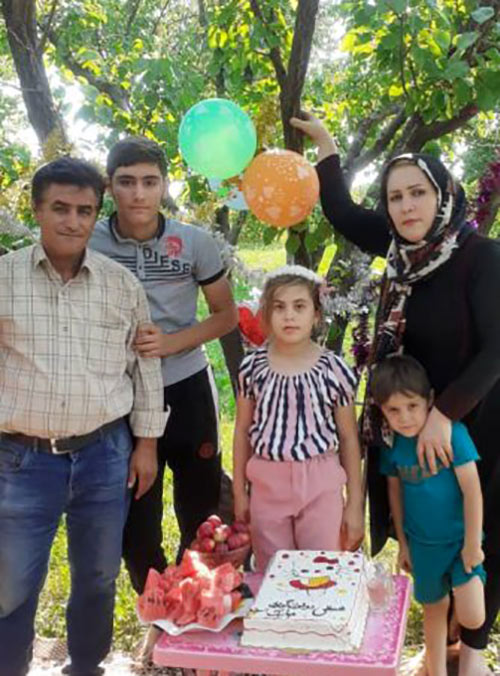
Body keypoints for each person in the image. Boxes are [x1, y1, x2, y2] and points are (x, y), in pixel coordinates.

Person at [290, 113, 500, 676]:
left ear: (444, 194)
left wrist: (445, 416)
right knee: (429, 536)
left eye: (418, 193)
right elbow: (340, 211)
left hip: (477, 424)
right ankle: (438, 650)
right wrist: (327, 145)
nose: (407, 207)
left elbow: (497, 349)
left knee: (478, 537)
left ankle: (472, 656)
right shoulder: (398, 250)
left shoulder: (481, 257)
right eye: (395, 197)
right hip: (408, 425)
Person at [0, 157, 166, 676]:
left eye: (84, 211)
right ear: (37, 209)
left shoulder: (121, 285)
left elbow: (144, 366)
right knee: (11, 583)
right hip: (22, 459)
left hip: (105, 454)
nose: (72, 221)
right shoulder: (4, 279)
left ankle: (87, 667)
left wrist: (146, 444)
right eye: (60, 208)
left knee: (97, 576)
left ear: (97, 213)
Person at [90, 137, 238, 593]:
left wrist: (171, 343)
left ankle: (196, 600)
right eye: (127, 182)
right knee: (136, 524)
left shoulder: (194, 243)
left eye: (150, 182)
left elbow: (226, 316)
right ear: (109, 186)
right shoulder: (89, 242)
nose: (139, 194)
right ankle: (157, 604)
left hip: (187, 385)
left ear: (164, 185)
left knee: (201, 510)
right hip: (121, 392)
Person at [232, 265, 364, 572]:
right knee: (274, 573)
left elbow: (348, 438)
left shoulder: (334, 370)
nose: (289, 316)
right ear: (266, 314)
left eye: (299, 306)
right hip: (267, 486)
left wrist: (355, 504)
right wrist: (240, 493)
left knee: (322, 572)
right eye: (279, 307)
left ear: (316, 315)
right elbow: (241, 431)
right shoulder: (252, 368)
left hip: (320, 483)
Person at [371, 355, 485, 676]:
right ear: (382, 411)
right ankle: (435, 670)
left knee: (473, 616)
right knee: (433, 610)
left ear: (430, 400)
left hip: (460, 541)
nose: (405, 417)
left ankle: (462, 629)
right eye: (393, 410)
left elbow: (473, 491)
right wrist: (403, 545)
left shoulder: (454, 435)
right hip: (423, 546)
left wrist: (473, 545)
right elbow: (395, 494)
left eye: (412, 406)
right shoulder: (393, 446)